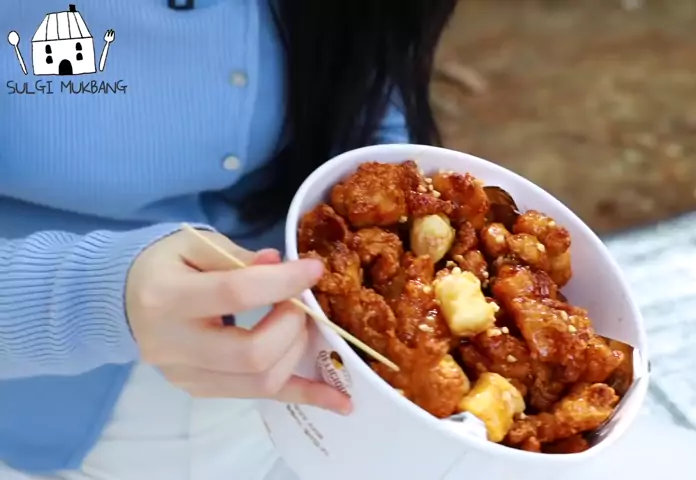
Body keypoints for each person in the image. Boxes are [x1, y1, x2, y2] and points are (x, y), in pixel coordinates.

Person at [0, 1, 457, 478]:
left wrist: (382, 185)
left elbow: (371, 81)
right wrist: (91, 292)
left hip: (317, 394)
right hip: (43, 405)